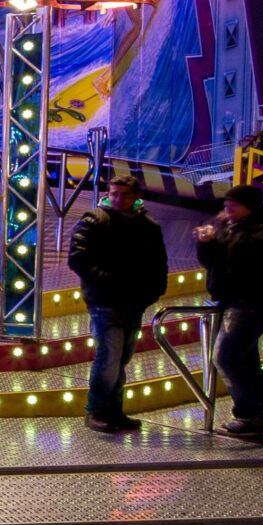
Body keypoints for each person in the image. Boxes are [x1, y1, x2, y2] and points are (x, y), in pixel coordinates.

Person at [194, 183, 263, 444]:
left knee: (225, 356)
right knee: (247, 361)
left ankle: (248, 413)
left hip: (252, 302)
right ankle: (260, 415)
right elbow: (215, 261)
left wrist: (218, 235)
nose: (227, 210)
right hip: (231, 300)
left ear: (249, 207)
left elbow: (244, 258)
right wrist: (206, 243)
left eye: (233, 205)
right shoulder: (234, 228)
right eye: (226, 205)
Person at [67, 173, 169, 433]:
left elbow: (158, 263)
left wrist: (153, 291)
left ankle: (113, 409)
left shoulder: (148, 225)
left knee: (121, 357)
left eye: (124, 194)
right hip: (105, 300)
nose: (118, 199)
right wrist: (106, 281)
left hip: (134, 301)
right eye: (114, 194)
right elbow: (78, 258)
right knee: (109, 355)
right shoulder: (95, 220)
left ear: (136, 196)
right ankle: (98, 410)